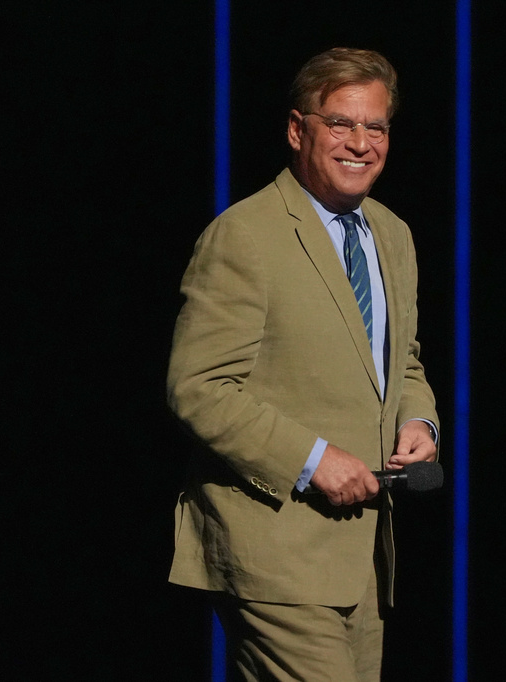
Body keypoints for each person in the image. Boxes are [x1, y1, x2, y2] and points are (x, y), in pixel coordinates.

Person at [166, 47, 440, 681]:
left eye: (376, 127)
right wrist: (313, 458)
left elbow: (403, 362)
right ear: (298, 130)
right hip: (274, 546)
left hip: (363, 554)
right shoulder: (245, 235)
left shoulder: (392, 234)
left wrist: (420, 423)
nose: (361, 143)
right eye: (341, 123)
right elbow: (198, 387)